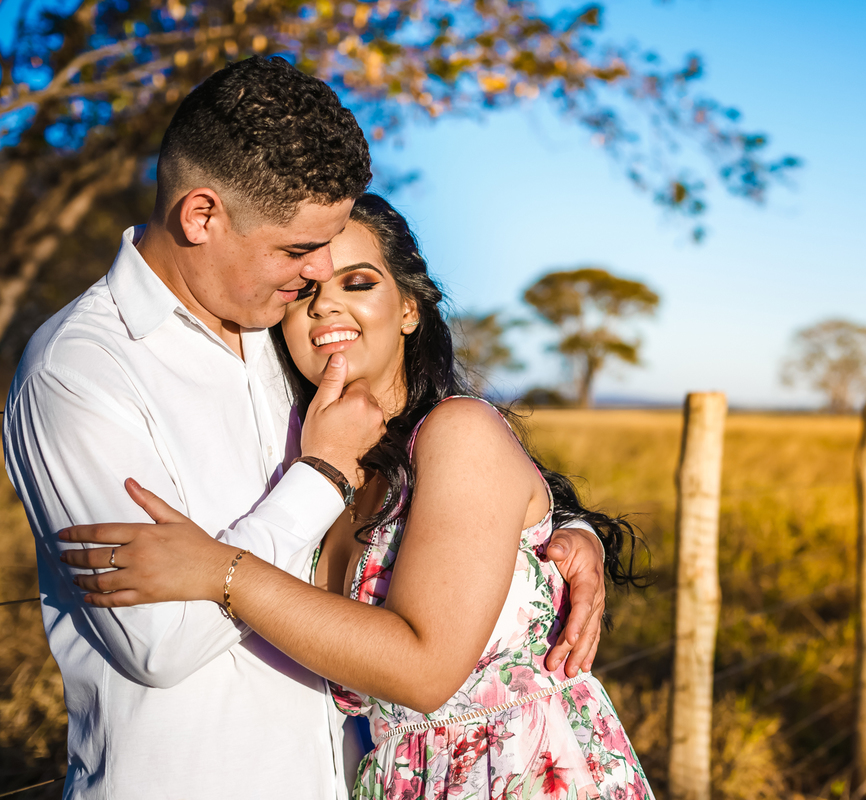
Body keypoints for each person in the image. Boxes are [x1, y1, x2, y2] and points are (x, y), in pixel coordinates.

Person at [3, 57, 607, 800]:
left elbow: (438, 466)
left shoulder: (269, 335)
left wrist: (566, 532)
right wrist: (316, 479)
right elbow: (155, 643)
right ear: (201, 217)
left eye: (340, 267)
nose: (313, 285)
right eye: (299, 256)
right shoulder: (82, 370)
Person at [60, 193, 657, 799]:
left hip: (521, 774)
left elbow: (424, 673)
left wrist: (219, 569)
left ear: (408, 310)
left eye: (359, 282)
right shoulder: (315, 467)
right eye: (306, 292)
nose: (328, 307)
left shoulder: (459, 431)